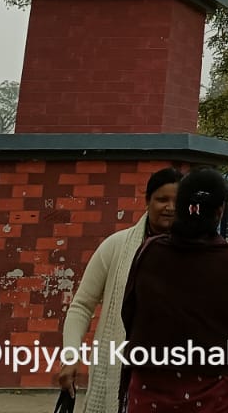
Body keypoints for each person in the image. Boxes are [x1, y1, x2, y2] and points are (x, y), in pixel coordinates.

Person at [120, 168, 228, 413]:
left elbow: (130, 314)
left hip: (151, 387)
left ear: (180, 207)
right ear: (220, 211)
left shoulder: (151, 252)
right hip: (215, 391)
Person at [58, 167, 181, 413]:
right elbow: (81, 306)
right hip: (121, 369)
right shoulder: (117, 245)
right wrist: (71, 357)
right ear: (147, 201)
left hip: (172, 372)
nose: (170, 207)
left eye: (177, 201)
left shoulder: (195, 253)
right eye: (162, 199)